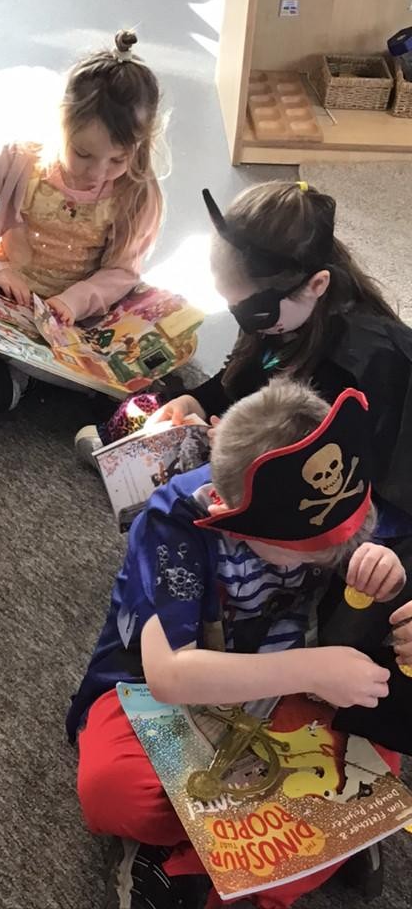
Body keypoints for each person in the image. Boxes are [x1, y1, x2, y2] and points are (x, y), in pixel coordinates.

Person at [66, 380, 410, 909]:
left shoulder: (332, 502)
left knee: (381, 759)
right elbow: (169, 675)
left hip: (293, 694)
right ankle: (294, 846)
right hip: (168, 693)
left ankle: (196, 862)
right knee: (115, 792)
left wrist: (385, 570)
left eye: (342, 538)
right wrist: (311, 669)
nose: (330, 556)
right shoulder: (172, 522)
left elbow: (364, 558)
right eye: (308, 550)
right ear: (228, 513)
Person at [76, 182, 412, 535]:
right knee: (148, 412)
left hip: (352, 493)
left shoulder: (354, 366)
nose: (244, 322)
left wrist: (240, 447)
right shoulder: (275, 311)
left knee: (199, 514)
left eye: (250, 311)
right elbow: (247, 374)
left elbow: (324, 473)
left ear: (317, 285)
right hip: (278, 436)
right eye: (231, 305)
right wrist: (193, 402)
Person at [0, 29, 164, 410]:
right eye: (83, 154)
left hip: (79, 317)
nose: (97, 173)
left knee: (139, 360)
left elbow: (122, 272)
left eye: (118, 159)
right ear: (61, 123)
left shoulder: (136, 193)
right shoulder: (21, 160)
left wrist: (74, 302)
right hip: (9, 297)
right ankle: (29, 374)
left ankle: (28, 374)